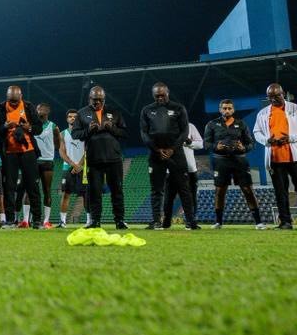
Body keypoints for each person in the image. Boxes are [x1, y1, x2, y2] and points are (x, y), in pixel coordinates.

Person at [253, 83, 297, 230]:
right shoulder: (262, 113)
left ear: (283, 94)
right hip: (275, 158)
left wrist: (291, 138)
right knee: (280, 192)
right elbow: (256, 132)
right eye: (270, 97)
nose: (274, 99)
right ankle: (285, 222)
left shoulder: (296, 108)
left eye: (277, 96)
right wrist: (266, 140)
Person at [140, 82, 199, 230]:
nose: (160, 98)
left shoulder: (178, 108)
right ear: (153, 95)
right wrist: (156, 149)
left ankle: (191, 222)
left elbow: (185, 131)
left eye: (162, 95)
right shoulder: (147, 110)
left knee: (184, 188)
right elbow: (144, 133)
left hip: (176, 154)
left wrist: (173, 149)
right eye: (157, 95)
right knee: (156, 189)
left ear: (168, 93)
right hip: (155, 155)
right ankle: (156, 221)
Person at [70, 86, 127, 229]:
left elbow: (124, 133)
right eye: (95, 100)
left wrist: (112, 128)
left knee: (117, 190)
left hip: (114, 158)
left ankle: (119, 221)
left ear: (104, 99)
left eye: (100, 100)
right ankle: (95, 221)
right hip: (94, 159)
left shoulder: (114, 112)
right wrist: (88, 130)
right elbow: (75, 134)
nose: (97, 103)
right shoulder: (82, 113)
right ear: (89, 99)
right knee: (94, 192)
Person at [203, 99, 265, 229]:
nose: (227, 110)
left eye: (229, 108)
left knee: (248, 189)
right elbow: (206, 144)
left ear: (233, 110)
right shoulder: (212, 124)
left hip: (239, 160)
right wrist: (215, 146)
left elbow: (251, 143)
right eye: (224, 108)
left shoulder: (241, 124)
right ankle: (218, 222)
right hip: (221, 161)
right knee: (220, 191)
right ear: (220, 109)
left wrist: (244, 148)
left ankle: (258, 222)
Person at [0, 85, 44, 228]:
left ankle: (37, 220)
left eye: (15, 101)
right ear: (7, 97)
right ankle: (11, 220)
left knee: (32, 185)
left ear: (21, 96)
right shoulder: (1, 108)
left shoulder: (28, 107)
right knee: (9, 187)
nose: (13, 103)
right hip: (9, 153)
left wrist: (29, 127)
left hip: (28, 151)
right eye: (10, 101)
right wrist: (4, 127)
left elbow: (38, 128)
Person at [58, 109, 85, 228]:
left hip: (82, 167)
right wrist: (73, 164)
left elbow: (87, 150)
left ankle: (89, 221)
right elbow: (61, 152)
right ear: (67, 119)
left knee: (86, 194)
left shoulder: (85, 132)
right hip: (68, 167)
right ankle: (62, 221)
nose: (72, 118)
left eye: (75, 116)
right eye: (70, 116)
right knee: (65, 194)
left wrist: (80, 165)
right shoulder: (63, 134)